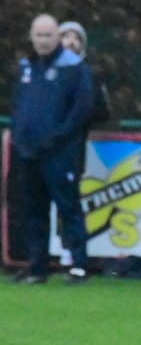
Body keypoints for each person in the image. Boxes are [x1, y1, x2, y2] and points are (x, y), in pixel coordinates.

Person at [10, 14, 93, 285]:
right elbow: (19, 106)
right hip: (29, 153)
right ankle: (38, 266)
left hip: (60, 153)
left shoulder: (73, 67)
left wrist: (59, 137)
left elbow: (81, 108)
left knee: (68, 208)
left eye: (48, 35)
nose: (43, 41)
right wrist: (20, 137)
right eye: (39, 35)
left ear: (57, 37)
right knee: (34, 211)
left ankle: (78, 265)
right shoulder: (27, 67)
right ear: (31, 37)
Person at [58, 20, 113, 267]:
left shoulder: (90, 74)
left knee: (69, 200)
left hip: (72, 146)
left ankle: (71, 250)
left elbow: (103, 111)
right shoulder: (44, 70)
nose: (70, 42)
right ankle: (42, 253)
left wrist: (80, 113)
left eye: (76, 38)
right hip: (44, 147)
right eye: (66, 36)